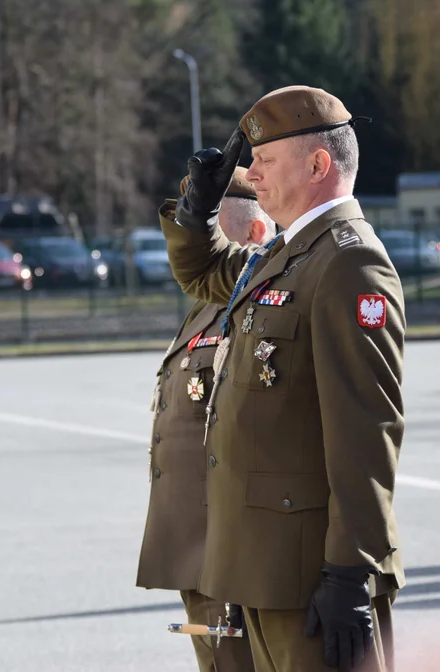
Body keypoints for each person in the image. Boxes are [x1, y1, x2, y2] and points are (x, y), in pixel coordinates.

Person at [159, 85, 405, 672]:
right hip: (262, 564)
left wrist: (350, 571)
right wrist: (198, 208)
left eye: (266, 160)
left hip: (311, 571)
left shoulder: (348, 261)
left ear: (318, 164)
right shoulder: (286, 255)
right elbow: (203, 273)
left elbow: (366, 430)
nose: (252, 172)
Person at [136, 168, 275, 672]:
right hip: (195, 549)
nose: (199, 248)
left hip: (231, 555)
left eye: (214, 232)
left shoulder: (258, 305)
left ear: (256, 234)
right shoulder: (208, 306)